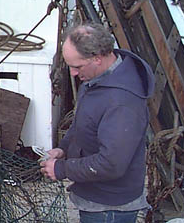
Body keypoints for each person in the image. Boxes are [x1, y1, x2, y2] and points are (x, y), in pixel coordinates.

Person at [40, 22, 155, 223]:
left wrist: (62, 169)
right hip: (94, 195)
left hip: (110, 208)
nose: (73, 73)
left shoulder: (122, 103)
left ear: (97, 58)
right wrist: (63, 149)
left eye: (77, 66)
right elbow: (83, 122)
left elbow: (111, 164)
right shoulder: (96, 79)